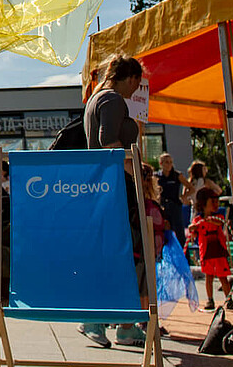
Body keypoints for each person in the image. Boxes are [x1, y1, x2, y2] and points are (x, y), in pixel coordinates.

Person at [78, 54, 144, 349]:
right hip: (113, 185)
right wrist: (135, 170)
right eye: (137, 84)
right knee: (118, 255)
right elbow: (108, 142)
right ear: (130, 78)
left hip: (102, 186)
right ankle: (96, 319)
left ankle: (120, 322)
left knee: (113, 254)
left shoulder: (95, 98)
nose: (137, 91)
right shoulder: (114, 100)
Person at [190, 187, 233, 311]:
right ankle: (210, 300)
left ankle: (229, 300)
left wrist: (208, 220)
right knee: (209, 276)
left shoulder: (218, 217)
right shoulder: (198, 220)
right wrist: (193, 230)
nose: (216, 205)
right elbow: (194, 232)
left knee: (223, 277)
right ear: (203, 204)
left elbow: (220, 222)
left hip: (219, 251)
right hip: (206, 252)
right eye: (213, 202)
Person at [156, 153, 191, 247]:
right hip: (162, 206)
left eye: (170, 162)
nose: (169, 165)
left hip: (175, 205)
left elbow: (191, 188)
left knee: (179, 232)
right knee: (164, 231)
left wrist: (183, 197)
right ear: (161, 163)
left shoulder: (177, 175)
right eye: (166, 162)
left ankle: (184, 256)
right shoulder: (157, 176)